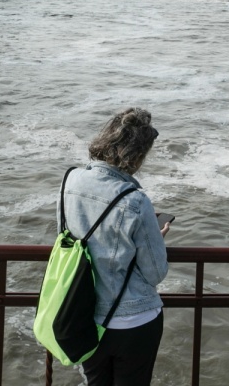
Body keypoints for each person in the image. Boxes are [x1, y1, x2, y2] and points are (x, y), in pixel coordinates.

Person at [60, 107, 169, 386]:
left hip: (83, 316)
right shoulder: (135, 200)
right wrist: (156, 236)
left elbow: (68, 240)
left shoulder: (69, 182)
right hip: (133, 321)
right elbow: (156, 272)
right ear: (138, 154)